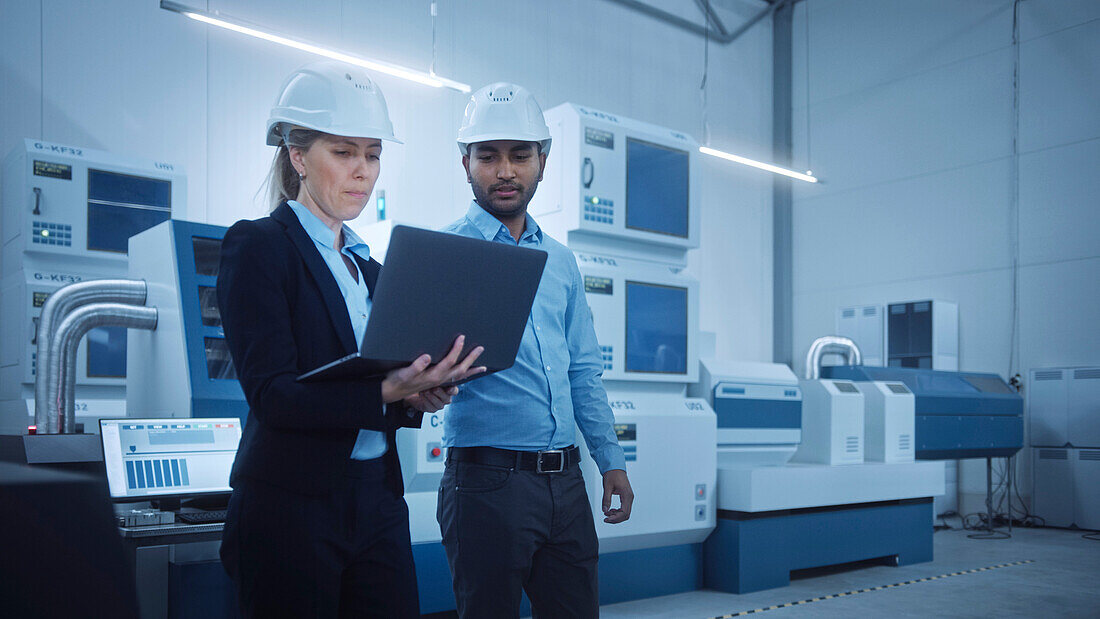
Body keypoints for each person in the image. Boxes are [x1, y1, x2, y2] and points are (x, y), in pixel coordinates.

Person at [217, 60, 485, 618]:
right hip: (292, 506)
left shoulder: (373, 271)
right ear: (297, 156)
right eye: (343, 152)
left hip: (377, 499)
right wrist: (387, 393)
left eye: (372, 154)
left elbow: (376, 385)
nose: (362, 171)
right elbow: (273, 395)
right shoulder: (260, 247)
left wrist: (417, 395)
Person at [436, 82, 635, 618]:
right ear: (466, 163)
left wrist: (609, 459)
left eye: (520, 156)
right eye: (489, 156)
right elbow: (415, 369)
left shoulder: (562, 263)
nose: (506, 171)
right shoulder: (445, 253)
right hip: (485, 483)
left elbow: (584, 373)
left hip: (566, 484)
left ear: (542, 163)